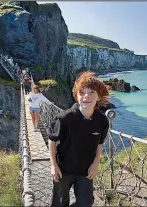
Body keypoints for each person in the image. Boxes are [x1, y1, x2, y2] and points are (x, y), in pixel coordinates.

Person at [48, 71, 109, 207]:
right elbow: (52, 141)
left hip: (85, 170)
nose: (86, 96)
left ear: (98, 96)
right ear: (76, 95)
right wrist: (53, 165)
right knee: (59, 203)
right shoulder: (64, 118)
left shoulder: (102, 120)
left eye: (92, 92)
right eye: (82, 92)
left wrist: (96, 163)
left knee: (86, 203)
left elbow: (100, 142)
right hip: (63, 169)